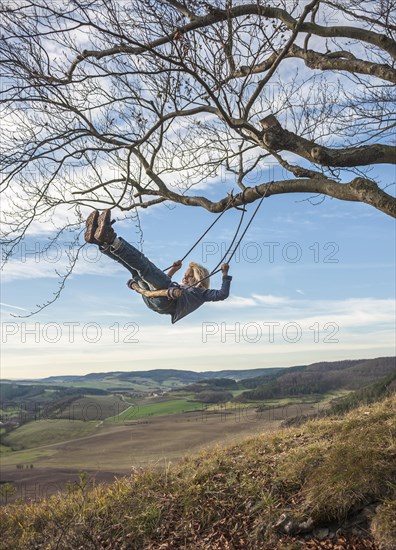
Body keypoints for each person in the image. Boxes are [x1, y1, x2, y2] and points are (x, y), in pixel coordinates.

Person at [84, 209, 232, 323]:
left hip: (166, 302)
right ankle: (101, 242)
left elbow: (222, 294)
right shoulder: (182, 288)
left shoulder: (202, 293)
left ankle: (110, 238)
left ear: (199, 278)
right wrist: (174, 269)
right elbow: (157, 283)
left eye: (189, 276)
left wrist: (224, 274)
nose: (185, 278)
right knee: (135, 271)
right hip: (154, 300)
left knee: (145, 266)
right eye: (185, 275)